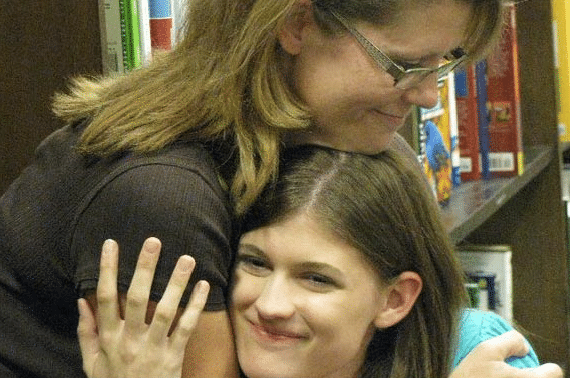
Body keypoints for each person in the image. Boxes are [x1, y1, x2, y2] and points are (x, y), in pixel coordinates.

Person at [0, 0, 560, 377]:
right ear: (296, 24)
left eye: (445, 64)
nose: (429, 98)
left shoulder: (340, 146)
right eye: (404, 64)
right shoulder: (163, 197)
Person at [77, 147, 563, 378]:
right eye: (256, 263)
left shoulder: (473, 354)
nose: (270, 305)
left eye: (315, 279)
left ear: (394, 299)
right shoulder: (178, 358)